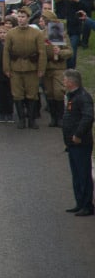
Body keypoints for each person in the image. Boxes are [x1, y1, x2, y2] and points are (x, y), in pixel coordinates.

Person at [4, 13, 48, 129]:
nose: (20, 19)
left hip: (31, 67)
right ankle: (21, 119)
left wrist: (41, 68)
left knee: (32, 94)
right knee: (17, 94)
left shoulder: (36, 33)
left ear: (28, 18)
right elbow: (6, 52)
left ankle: (32, 119)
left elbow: (42, 52)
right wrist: (6, 68)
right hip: (16, 67)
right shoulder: (11, 33)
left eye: (23, 17)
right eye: (19, 16)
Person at [60, 70, 94, 216]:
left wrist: (78, 134)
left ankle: (87, 205)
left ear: (71, 82)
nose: (63, 82)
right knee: (76, 174)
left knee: (83, 174)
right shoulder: (72, 96)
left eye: (65, 80)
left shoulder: (82, 97)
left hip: (80, 142)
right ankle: (79, 202)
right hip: (72, 143)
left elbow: (88, 117)